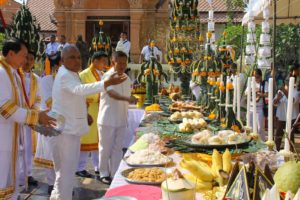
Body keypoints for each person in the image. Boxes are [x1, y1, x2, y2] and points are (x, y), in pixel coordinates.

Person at [49, 45, 127, 200]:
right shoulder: (65, 75)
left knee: (64, 173)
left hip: (69, 129)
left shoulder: (71, 73)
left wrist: (84, 113)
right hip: (66, 132)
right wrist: (105, 83)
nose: (77, 60)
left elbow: (74, 97)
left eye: (78, 57)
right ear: (63, 60)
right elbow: (79, 90)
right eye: (72, 57)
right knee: (66, 174)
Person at [0, 38, 55, 200]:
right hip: (3, 133)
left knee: (11, 173)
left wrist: (39, 114)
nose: (25, 60)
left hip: (12, 132)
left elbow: (23, 103)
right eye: (23, 55)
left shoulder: (12, 73)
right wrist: (36, 116)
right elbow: (5, 107)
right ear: (11, 54)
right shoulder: (2, 73)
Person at [97, 51, 137, 184]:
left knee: (118, 148)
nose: (122, 65)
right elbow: (112, 94)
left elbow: (127, 97)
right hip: (107, 119)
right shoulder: (107, 77)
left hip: (120, 119)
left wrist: (131, 99)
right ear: (113, 62)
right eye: (119, 63)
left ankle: (114, 173)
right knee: (105, 148)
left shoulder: (126, 78)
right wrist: (128, 98)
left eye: (124, 63)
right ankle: (103, 173)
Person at [76, 52, 108, 178]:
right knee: (86, 139)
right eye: (102, 61)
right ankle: (80, 167)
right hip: (88, 110)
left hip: (100, 109)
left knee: (98, 140)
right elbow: (81, 92)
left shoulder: (103, 75)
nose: (105, 64)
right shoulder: (84, 75)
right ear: (94, 61)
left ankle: (98, 167)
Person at [34, 63, 61, 195]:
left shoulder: (69, 79)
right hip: (47, 119)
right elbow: (50, 101)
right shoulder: (46, 80)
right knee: (49, 152)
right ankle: (51, 183)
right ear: (56, 66)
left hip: (63, 121)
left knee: (62, 154)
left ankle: (60, 184)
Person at [17, 51, 41, 187]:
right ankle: (17, 175)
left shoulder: (36, 79)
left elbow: (38, 98)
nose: (28, 61)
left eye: (31, 59)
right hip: (17, 116)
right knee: (17, 148)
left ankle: (28, 174)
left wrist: (34, 112)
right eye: (26, 58)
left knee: (28, 147)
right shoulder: (15, 76)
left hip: (29, 117)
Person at [274, 65, 300, 150]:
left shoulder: (297, 91)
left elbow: (292, 100)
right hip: (281, 116)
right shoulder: (280, 91)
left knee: (290, 137)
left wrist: (285, 91)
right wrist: (277, 99)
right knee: (278, 135)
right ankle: (276, 151)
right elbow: (274, 103)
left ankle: (291, 153)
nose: (287, 83)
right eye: (286, 81)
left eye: (289, 82)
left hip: (292, 117)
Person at [245, 69, 268, 141]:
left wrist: (260, 94)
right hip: (251, 107)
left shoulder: (264, 83)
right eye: (254, 77)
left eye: (257, 77)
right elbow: (246, 92)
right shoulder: (251, 83)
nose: (256, 79)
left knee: (260, 128)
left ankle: (262, 142)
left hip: (259, 107)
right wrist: (253, 91)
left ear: (261, 76)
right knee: (250, 127)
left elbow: (267, 94)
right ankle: (251, 141)